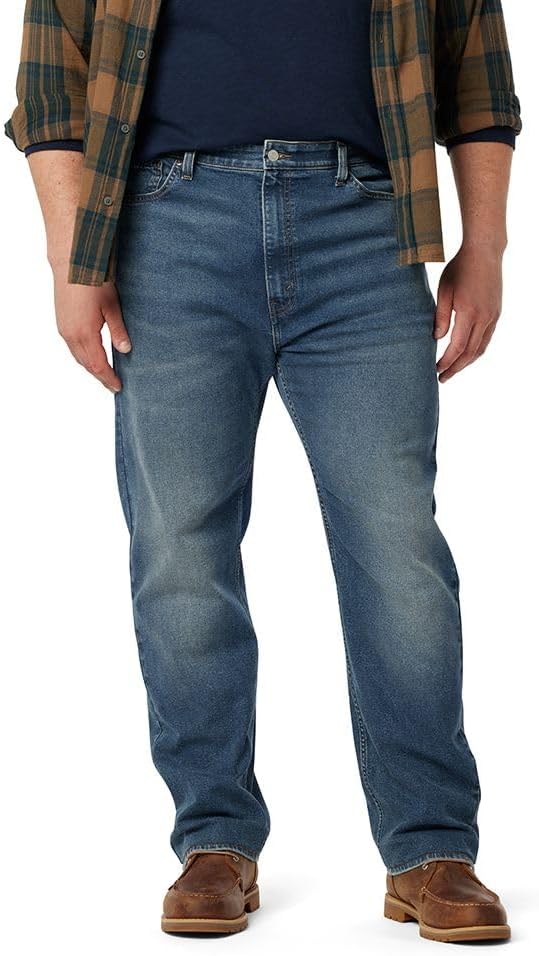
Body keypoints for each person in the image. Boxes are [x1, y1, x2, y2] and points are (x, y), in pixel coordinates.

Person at [6, 0, 521, 943]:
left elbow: (475, 68)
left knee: (397, 546)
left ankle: (431, 849)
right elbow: (52, 77)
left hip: (367, 223)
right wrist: (70, 255)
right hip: (170, 226)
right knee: (179, 546)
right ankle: (213, 840)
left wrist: (483, 244)